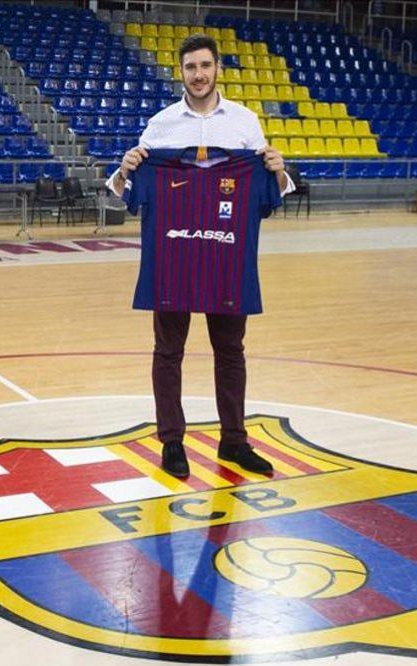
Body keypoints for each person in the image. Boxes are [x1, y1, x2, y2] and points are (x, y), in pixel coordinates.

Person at [106, 33, 295, 479]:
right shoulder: (161, 125)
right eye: (190, 67)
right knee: (168, 350)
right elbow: (124, 192)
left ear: (217, 69)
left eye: (205, 66)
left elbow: (271, 195)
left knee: (231, 350)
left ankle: (234, 442)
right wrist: (125, 168)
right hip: (174, 255)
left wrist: (277, 169)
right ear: (182, 72)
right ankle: (172, 442)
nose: (198, 74)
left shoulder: (246, 123)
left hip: (225, 258)